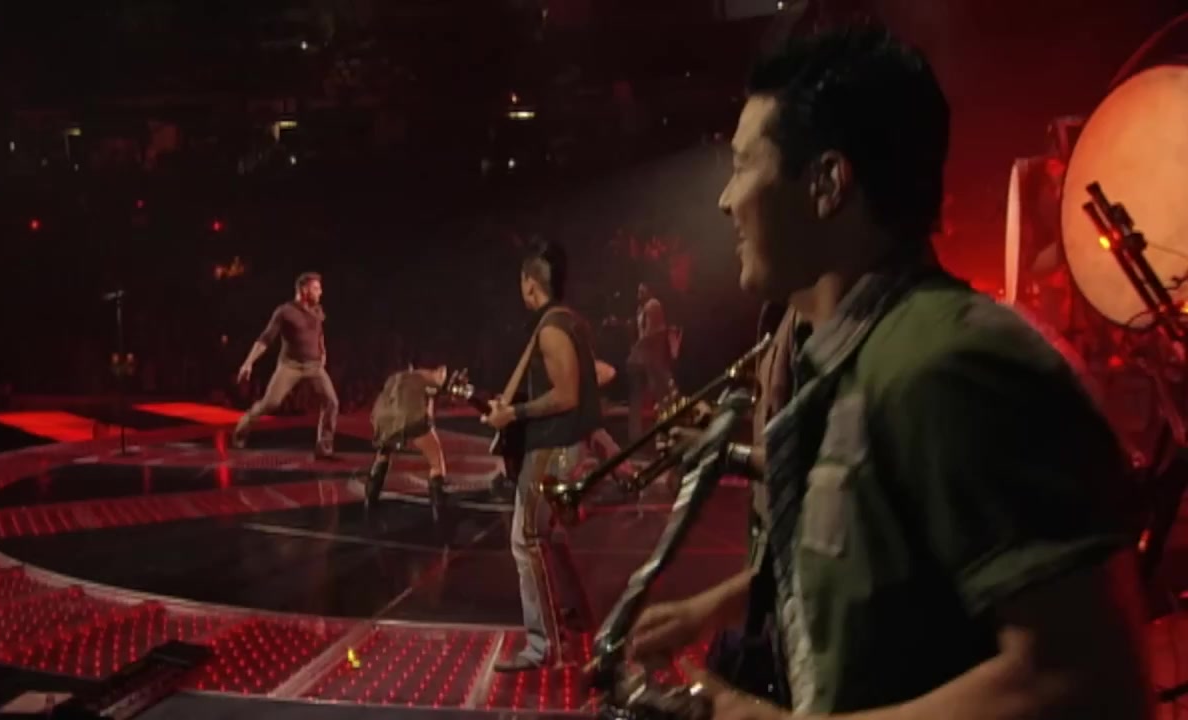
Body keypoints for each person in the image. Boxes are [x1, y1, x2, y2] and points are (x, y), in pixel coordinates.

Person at [627, 25, 1152, 719]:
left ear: (827, 183)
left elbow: (1087, 678)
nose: (725, 200)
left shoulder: (956, 365)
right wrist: (715, 607)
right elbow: (875, 578)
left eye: (743, 164)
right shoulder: (849, 358)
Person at [484, 241, 603, 672]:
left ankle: (545, 646)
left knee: (525, 541)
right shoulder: (571, 322)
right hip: (566, 444)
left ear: (529, 284)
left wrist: (514, 413)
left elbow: (567, 394)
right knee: (548, 537)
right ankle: (578, 617)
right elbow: (591, 379)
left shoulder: (551, 328)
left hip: (552, 447)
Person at [233, 272, 340, 459]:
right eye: (316, 288)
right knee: (271, 403)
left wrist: (323, 350)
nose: (320, 292)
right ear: (304, 290)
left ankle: (324, 448)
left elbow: (319, 331)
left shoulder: (317, 310)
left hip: (314, 366)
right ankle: (241, 430)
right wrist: (248, 363)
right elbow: (265, 339)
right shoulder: (285, 311)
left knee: (331, 402)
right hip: (290, 365)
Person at [365, 365, 449, 522]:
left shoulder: (394, 377)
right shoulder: (427, 378)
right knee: (436, 461)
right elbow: (429, 414)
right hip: (409, 416)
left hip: (382, 417)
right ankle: (440, 511)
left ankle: (370, 500)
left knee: (383, 454)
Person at [626, 282, 677, 445]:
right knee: (642, 395)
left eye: (642, 291)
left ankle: (665, 429)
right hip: (645, 357)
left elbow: (654, 332)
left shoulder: (653, 305)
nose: (639, 295)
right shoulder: (641, 309)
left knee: (660, 395)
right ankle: (638, 435)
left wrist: (637, 348)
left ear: (650, 290)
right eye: (638, 291)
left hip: (653, 357)